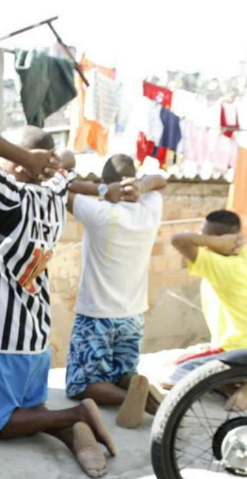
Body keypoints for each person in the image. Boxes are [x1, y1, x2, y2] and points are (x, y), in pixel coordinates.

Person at [0, 122, 117, 479]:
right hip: (34, 335)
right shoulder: (54, 194)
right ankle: (74, 434)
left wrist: (25, 157)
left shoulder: (9, 200)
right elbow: (69, 166)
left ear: (17, 166)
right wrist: (61, 166)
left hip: (0, 340)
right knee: (29, 413)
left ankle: (76, 415)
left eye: (4, 155)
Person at [64, 153, 167, 429]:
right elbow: (161, 181)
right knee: (123, 371)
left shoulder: (99, 213)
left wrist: (100, 191)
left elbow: (60, 186)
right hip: (133, 315)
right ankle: (137, 388)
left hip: (96, 315)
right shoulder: (151, 209)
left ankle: (132, 398)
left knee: (82, 384)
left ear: (104, 182)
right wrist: (143, 187)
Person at [170, 211, 247, 410]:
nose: (202, 237)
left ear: (221, 240)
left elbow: (179, 240)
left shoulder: (221, 265)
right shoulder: (246, 256)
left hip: (238, 350)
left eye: (206, 234)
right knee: (197, 358)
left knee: (178, 372)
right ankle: (244, 383)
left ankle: (246, 383)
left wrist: (209, 240)